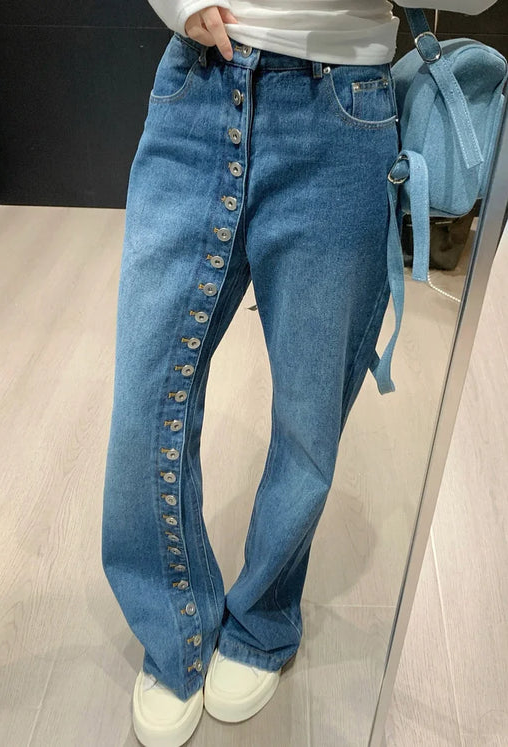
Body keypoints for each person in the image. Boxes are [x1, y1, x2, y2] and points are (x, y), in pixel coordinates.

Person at [101, 2, 498, 745]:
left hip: (341, 113)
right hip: (199, 87)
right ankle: (172, 626)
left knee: (308, 421)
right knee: (144, 398)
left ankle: (262, 619)